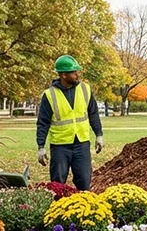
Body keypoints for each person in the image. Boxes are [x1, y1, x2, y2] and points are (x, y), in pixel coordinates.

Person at [36, 55, 104, 191]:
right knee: (57, 185)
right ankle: (58, 210)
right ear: (63, 75)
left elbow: (93, 114)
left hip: (82, 143)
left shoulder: (85, 89)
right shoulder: (49, 95)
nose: (77, 74)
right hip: (60, 146)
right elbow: (43, 123)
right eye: (74, 72)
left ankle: (84, 209)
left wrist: (99, 135)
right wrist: (41, 146)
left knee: (84, 183)